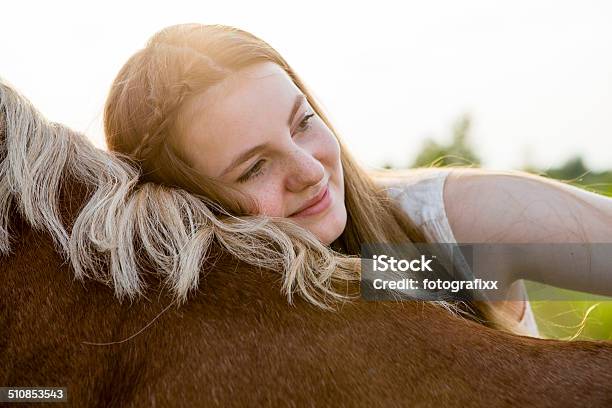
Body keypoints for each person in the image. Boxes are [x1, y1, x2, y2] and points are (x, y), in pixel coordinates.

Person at [103, 23, 612, 338]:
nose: (309, 171)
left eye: (302, 122)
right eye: (255, 167)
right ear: (184, 208)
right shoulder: (186, 333)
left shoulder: (444, 237)